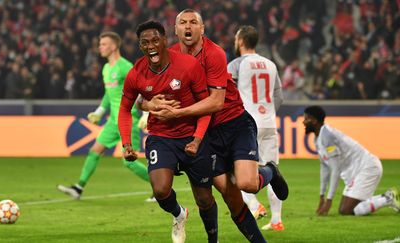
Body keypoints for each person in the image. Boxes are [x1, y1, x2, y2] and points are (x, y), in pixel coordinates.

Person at [141, 9, 289, 242]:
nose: (188, 26)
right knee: (228, 196)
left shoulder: (214, 54)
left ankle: (270, 170)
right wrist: (150, 104)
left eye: (193, 22)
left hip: (235, 124)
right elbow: (141, 91)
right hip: (207, 132)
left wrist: (177, 112)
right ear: (176, 30)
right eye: (183, 22)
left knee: (248, 185)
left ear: (202, 29)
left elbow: (216, 102)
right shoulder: (168, 57)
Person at [118, 20, 218, 243]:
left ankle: (214, 240)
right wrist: (126, 144)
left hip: (192, 136)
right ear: (140, 46)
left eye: (155, 40)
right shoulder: (136, 73)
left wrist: (197, 139)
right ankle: (179, 214)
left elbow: (207, 106)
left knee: (204, 199)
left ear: (164, 40)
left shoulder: (188, 65)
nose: (151, 46)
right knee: (161, 190)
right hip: (161, 137)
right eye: (145, 43)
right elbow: (125, 110)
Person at [57, 31, 151, 201]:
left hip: (128, 120)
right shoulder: (106, 68)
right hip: (113, 121)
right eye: (100, 44)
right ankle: (78, 188)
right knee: (94, 151)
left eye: (104, 44)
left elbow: (142, 89)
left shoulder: (125, 66)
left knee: (128, 161)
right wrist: (99, 112)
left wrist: (146, 113)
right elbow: (109, 94)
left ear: (114, 46)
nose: (100, 47)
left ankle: (160, 187)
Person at [227, 25, 285, 231]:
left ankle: (254, 204)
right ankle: (277, 219)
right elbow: (279, 96)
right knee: (273, 170)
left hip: (246, 125)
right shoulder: (270, 64)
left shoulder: (236, 65)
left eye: (236, 39)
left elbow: (226, 94)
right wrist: (267, 112)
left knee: (233, 172)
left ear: (241, 41)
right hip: (269, 122)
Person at [303, 105, 400, 216]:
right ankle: (388, 197)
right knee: (353, 208)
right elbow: (324, 167)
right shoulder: (317, 138)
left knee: (346, 210)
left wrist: (329, 200)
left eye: (306, 118)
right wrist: (322, 196)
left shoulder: (327, 136)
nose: (303, 122)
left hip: (367, 167)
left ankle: (388, 198)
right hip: (354, 173)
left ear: (314, 121)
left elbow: (335, 170)